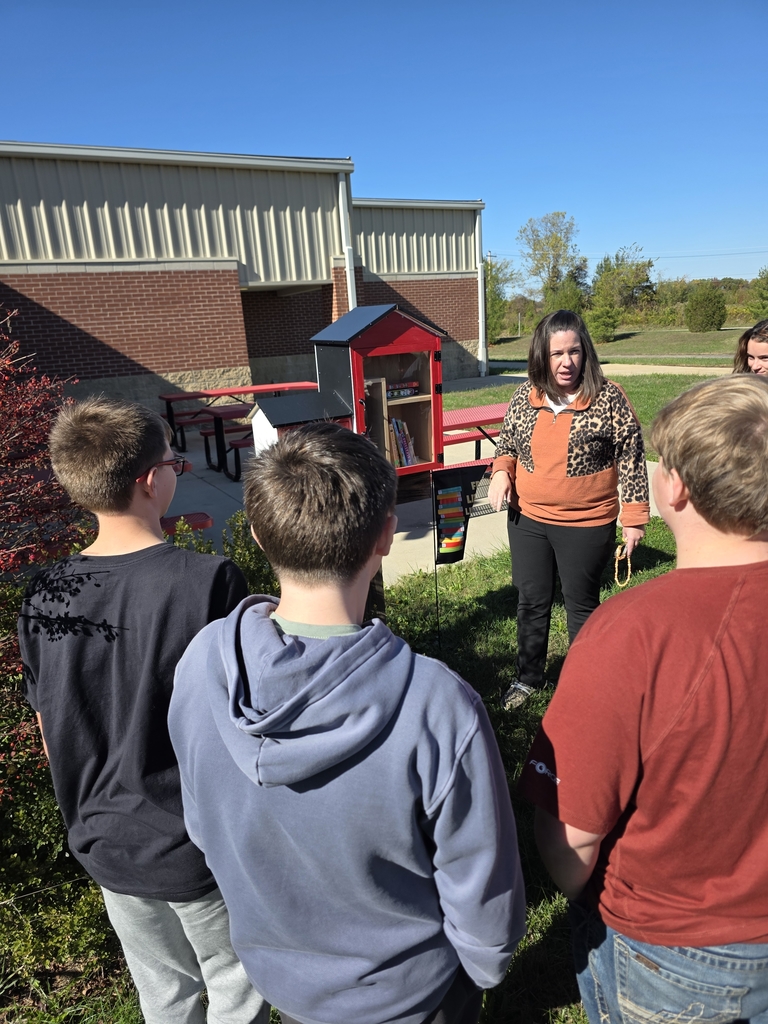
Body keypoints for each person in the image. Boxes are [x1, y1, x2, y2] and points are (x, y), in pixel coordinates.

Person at [168, 421, 526, 1024]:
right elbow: (480, 876)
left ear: (257, 534)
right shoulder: (438, 704)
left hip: (282, 984)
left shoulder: (203, 662)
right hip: (415, 998)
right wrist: (485, 966)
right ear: (386, 535)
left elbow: (203, 825)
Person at [519, 375, 768, 1023]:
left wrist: (582, 890)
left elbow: (570, 838)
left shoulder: (632, 632)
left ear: (677, 486)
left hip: (675, 952)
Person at [17, 397, 267, 1024]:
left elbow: (50, 727)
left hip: (104, 842)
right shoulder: (208, 581)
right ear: (152, 480)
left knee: (163, 995)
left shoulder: (45, 595)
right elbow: (241, 722)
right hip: (198, 846)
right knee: (237, 987)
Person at [488, 309, 650, 707]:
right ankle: (528, 677)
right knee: (531, 600)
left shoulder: (609, 397)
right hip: (527, 518)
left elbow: (631, 456)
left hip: (586, 523)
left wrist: (634, 518)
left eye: (574, 352)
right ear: (542, 356)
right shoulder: (526, 395)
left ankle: (583, 684)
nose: (566, 362)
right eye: (556, 353)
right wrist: (501, 472)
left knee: (582, 606)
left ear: (586, 352)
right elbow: (507, 443)